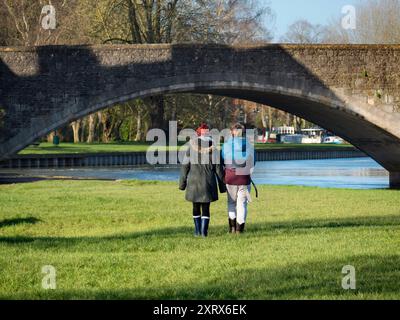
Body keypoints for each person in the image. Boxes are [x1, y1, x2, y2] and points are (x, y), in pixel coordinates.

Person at [179, 123, 226, 237]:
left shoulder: (190, 148)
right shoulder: (214, 150)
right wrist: (222, 187)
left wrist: (182, 184)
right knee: (206, 208)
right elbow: (219, 170)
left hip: (194, 183)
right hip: (208, 183)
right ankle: (204, 232)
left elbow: (185, 167)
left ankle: (197, 231)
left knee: (195, 207)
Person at [222, 123, 255, 234]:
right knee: (242, 203)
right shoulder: (249, 145)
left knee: (231, 203)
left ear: (232, 132)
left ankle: (231, 228)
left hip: (230, 176)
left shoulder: (226, 145)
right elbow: (253, 161)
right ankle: (239, 229)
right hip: (244, 177)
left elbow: (223, 160)